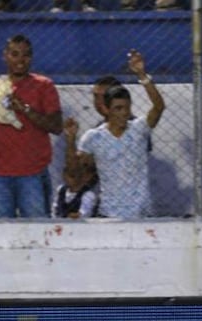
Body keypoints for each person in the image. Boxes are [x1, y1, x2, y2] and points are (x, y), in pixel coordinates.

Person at [0, 34, 63, 218]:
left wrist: (25, 109)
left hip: (32, 172)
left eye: (26, 55)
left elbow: (56, 126)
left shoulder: (43, 85)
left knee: (37, 231)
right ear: (5, 56)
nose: (20, 60)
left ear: (31, 57)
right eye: (15, 54)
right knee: (0, 233)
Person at [65, 49, 165, 219]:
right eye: (118, 108)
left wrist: (141, 74)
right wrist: (70, 140)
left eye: (127, 108)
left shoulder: (139, 129)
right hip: (109, 213)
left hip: (142, 213)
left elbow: (159, 107)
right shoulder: (94, 137)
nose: (124, 113)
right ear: (107, 109)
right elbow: (74, 173)